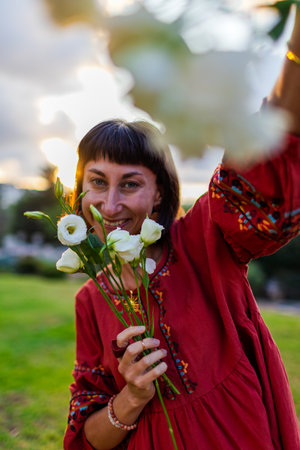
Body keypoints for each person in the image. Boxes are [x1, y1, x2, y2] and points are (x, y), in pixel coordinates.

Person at [63, 8, 300, 450]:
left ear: (159, 193)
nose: (110, 205)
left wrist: (295, 54)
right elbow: (88, 438)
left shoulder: (204, 240)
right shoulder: (90, 300)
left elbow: (269, 166)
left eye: (130, 184)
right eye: (97, 182)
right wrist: (131, 397)